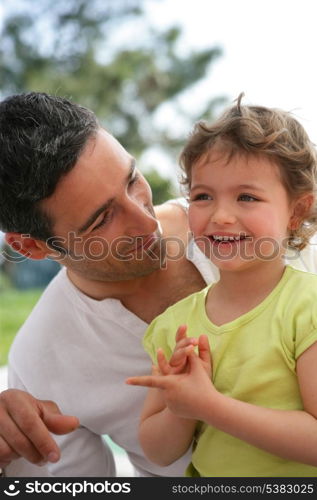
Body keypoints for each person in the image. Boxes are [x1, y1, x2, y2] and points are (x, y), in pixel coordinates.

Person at [0, 92, 316, 477]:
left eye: (132, 180)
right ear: (30, 246)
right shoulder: (40, 364)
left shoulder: (284, 237)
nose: (146, 221)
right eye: (102, 219)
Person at [126, 95, 317, 477]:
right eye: (202, 197)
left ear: (296, 211)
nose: (221, 216)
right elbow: (157, 451)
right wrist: (181, 408)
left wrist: (209, 406)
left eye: (247, 196)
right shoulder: (173, 325)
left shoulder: (306, 307)